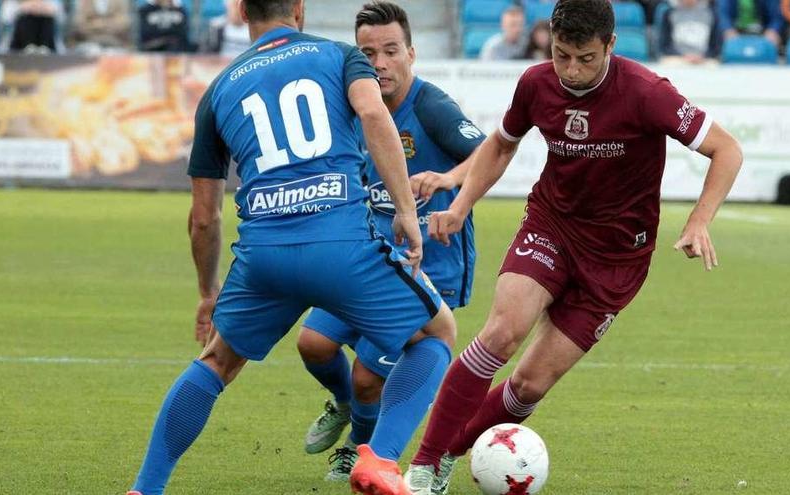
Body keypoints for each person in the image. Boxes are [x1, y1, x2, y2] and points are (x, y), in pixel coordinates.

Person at [402, 0, 744, 493]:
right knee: (501, 333)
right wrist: (461, 204)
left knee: (528, 386)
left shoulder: (648, 93)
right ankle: (423, 464)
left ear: (610, 45)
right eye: (562, 55)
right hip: (552, 227)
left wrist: (700, 220)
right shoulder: (536, 84)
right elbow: (500, 144)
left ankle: (453, 452)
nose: (572, 70)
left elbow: (726, 149)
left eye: (585, 58)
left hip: (617, 259)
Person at [124, 0, 457, 493]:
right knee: (435, 335)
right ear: (299, 8)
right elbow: (372, 113)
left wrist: (207, 291)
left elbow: (203, 218)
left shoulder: (218, 91)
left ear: (240, 11)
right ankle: (380, 460)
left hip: (263, 258)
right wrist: (406, 212)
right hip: (341, 244)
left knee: (215, 362)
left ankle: (145, 488)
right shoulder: (342, 56)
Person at [295, 1, 483, 483]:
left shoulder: (431, 107)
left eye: (390, 51)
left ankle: (363, 449)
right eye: (368, 52)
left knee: (368, 377)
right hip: (371, 259)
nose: (379, 63)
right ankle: (343, 408)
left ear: (411, 54)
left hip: (428, 268)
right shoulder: (357, 107)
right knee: (313, 344)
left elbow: (489, 154)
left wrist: (447, 180)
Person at [658, 0, 720, 65]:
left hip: (704, 59)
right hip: (677, 58)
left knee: (713, 64)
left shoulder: (711, 14)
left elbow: (716, 45)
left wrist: (703, 56)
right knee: (668, 63)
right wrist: (683, 56)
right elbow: (664, 45)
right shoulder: (669, 14)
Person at [716, 0, 784, 46]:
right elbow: (722, 14)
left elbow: (776, 16)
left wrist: (773, 30)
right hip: (735, 31)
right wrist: (728, 29)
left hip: (762, 32)